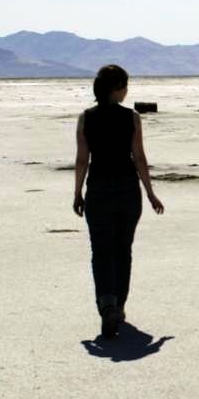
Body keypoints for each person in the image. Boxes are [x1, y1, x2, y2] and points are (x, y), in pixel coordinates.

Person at [72, 65, 165, 338]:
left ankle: (107, 304)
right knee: (123, 249)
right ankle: (119, 305)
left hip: (98, 190)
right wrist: (150, 192)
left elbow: (81, 160)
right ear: (117, 89)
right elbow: (139, 158)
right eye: (125, 86)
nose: (127, 91)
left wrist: (77, 193)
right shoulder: (132, 118)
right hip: (127, 190)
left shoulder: (85, 118)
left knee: (101, 250)